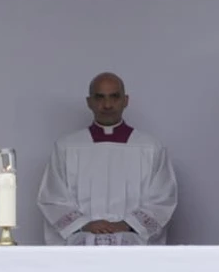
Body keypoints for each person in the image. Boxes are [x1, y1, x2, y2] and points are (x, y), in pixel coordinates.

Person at [37, 72, 178, 246]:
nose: (107, 104)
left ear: (125, 100)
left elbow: (162, 199)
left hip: (132, 241)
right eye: (100, 97)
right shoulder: (67, 147)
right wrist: (85, 224)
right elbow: (53, 198)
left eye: (114, 97)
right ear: (89, 102)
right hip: (81, 241)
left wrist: (127, 225)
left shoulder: (150, 147)